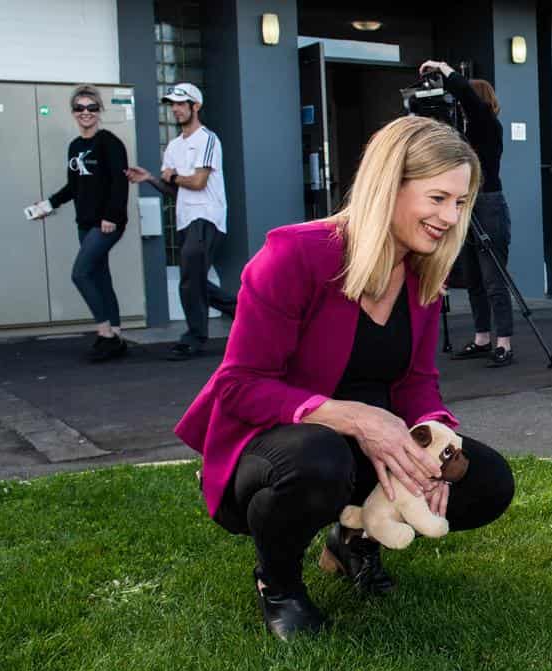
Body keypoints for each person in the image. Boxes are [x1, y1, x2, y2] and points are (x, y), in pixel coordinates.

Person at [174, 117, 515, 641]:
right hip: (276, 444)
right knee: (320, 456)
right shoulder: (294, 255)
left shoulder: (424, 271)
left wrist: (433, 436)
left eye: (460, 203)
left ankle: (352, 540)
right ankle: (279, 583)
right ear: (389, 184)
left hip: (368, 448)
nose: (450, 217)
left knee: (485, 478)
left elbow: (416, 382)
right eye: (438, 198)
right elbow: (239, 384)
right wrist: (354, 418)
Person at [125, 82, 236, 361]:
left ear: (195, 106)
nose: (175, 109)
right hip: (186, 219)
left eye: (180, 104)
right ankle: (249, 312)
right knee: (193, 279)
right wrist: (150, 178)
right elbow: (174, 191)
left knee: (189, 279)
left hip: (208, 217)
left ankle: (194, 337)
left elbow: (198, 182)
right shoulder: (173, 146)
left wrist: (172, 176)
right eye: (172, 104)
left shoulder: (208, 139)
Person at [419, 60, 516, 368]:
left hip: (487, 204)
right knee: (473, 276)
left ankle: (504, 342)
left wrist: (444, 69)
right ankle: (482, 337)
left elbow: (470, 100)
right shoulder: (466, 132)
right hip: (466, 203)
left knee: (493, 278)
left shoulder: (487, 123)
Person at [26, 85, 130, 362]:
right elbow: (73, 186)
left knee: (80, 274)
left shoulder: (109, 142)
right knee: (100, 276)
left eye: (92, 107)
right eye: (80, 108)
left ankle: (104, 333)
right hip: (84, 222)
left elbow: (120, 183)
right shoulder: (75, 146)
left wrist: (112, 216)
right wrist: (47, 205)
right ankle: (117, 336)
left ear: (99, 111)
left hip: (107, 223)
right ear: (73, 112)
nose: (86, 113)